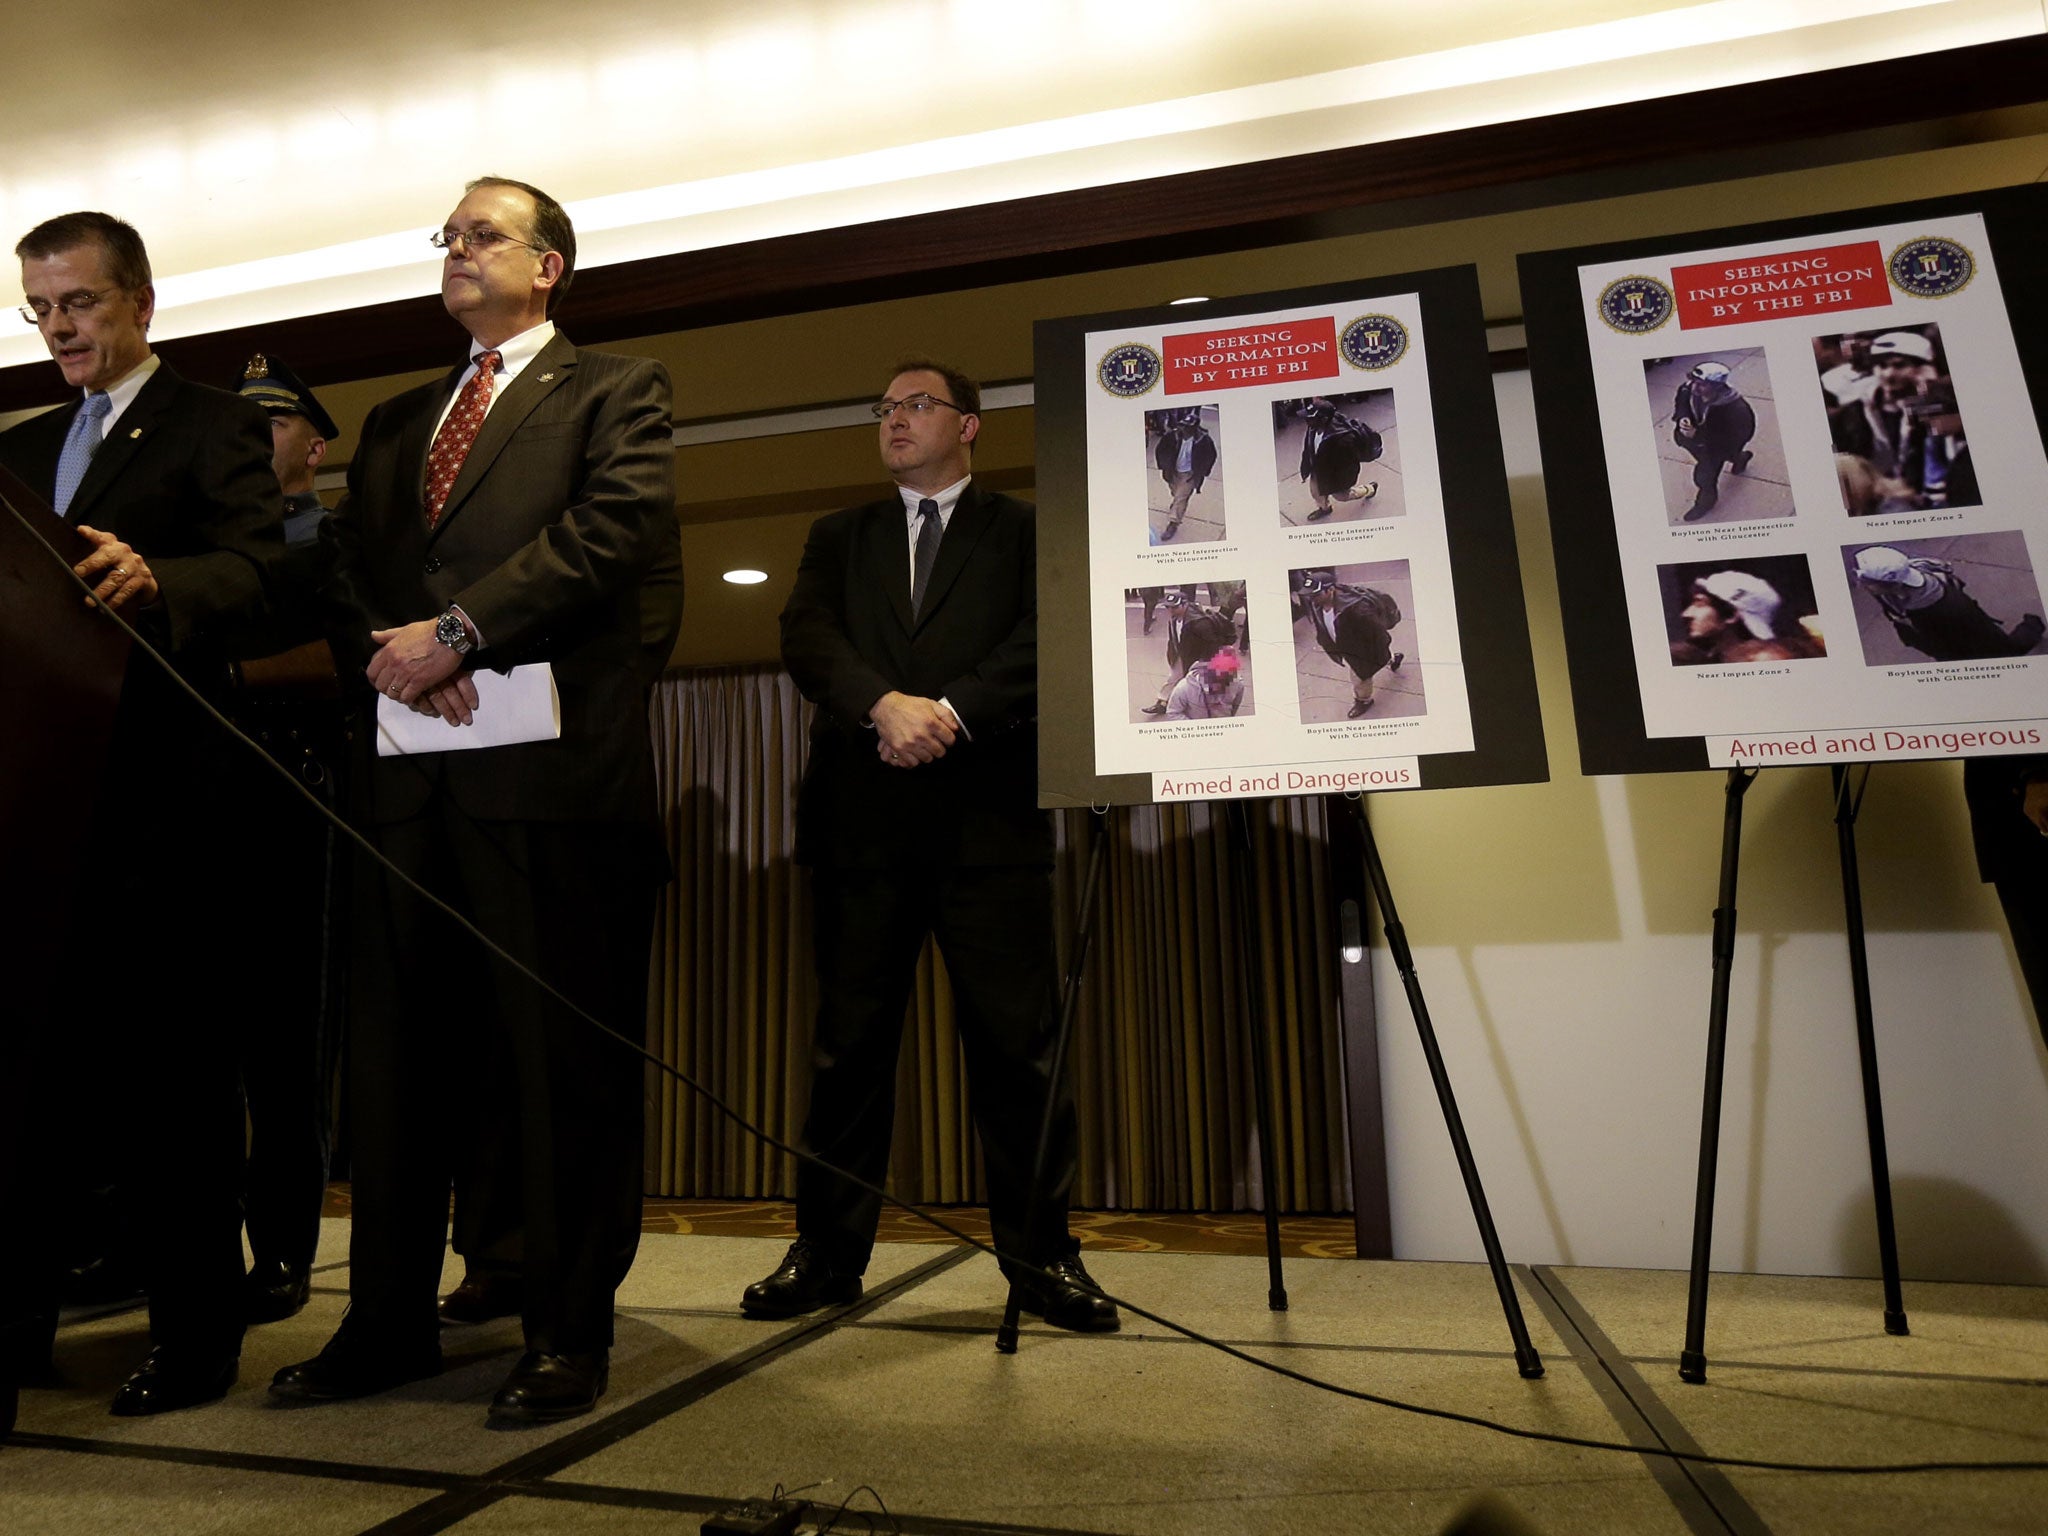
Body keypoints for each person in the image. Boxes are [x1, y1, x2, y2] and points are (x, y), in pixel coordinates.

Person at [270, 177, 679, 1425]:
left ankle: (563, 1331)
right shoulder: (397, 419)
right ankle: (384, 1321)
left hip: (548, 794)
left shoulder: (616, 388)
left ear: (548, 267)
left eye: (483, 234)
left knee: (556, 1073)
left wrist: (456, 632)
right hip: (407, 789)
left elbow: (609, 533)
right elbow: (342, 567)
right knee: (393, 1073)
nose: (457, 250)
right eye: (446, 237)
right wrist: (394, 657)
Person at [748, 358, 1117, 1333]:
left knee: (1017, 1058)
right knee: (847, 1055)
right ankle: (824, 1256)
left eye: (916, 404)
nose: (894, 419)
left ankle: (1042, 1259)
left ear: (970, 426)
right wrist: (883, 703)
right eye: (884, 408)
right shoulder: (840, 536)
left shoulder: (1027, 532)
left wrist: (949, 711)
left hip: (988, 830)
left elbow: (1046, 640)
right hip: (858, 830)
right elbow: (806, 637)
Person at [0, 211, 283, 1418]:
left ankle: (196, 1336)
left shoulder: (217, 426)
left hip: (165, 811)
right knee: (32, 1092)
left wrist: (166, 579)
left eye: (81, 304)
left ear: (142, 304)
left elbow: (268, 572)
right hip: (33, 820)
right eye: (42, 309)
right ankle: (14, 1335)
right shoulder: (11, 450)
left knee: (173, 1090)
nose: (61, 327)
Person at [222, 353, 351, 1326]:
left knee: (283, 1051)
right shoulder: (211, 549)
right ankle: (171, 1244)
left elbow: (346, 660)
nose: (252, 439)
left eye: (271, 423)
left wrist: (227, 672)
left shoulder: (338, 543)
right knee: (194, 1055)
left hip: (297, 802)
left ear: (312, 443)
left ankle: (283, 1251)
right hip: (198, 807)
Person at [1829, 331, 1974, 508]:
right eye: (1881, 366)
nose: (1888, 374)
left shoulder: (1943, 411)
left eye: (1899, 365)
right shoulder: (1851, 415)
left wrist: (1931, 389)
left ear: (1922, 368)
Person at [1850, 545, 2044, 661]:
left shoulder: (1948, 609)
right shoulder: (1907, 574)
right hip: (1943, 638)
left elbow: (1986, 638)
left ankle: (2033, 627)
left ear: (1890, 584)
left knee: (2003, 653)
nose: (1860, 584)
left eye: (1866, 582)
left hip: (1964, 643)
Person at [1295, 568, 1403, 718]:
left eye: (1316, 594)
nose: (1312, 598)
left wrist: (1370, 653)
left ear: (1331, 590)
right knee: (1378, 659)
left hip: (1360, 651)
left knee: (1359, 678)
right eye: (1309, 595)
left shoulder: (1357, 609)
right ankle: (1392, 658)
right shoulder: (1317, 603)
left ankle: (1363, 701)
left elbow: (1378, 635)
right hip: (1344, 646)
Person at [1669, 569, 1823, 664]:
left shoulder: (1766, 660)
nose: (1686, 614)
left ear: (1731, 615)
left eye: (1700, 603)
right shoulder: (1694, 659)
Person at [1671, 361, 1756, 522]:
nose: (1695, 387)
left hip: (1716, 447)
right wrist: (1683, 418)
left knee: (1704, 476)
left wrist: (1697, 435)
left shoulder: (1736, 409)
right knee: (1726, 456)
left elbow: (1738, 436)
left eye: (1702, 385)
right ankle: (1741, 458)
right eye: (1693, 380)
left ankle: (1705, 503)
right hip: (1696, 441)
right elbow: (1681, 406)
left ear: (1718, 386)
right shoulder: (1687, 389)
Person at [1140, 587, 1237, 715]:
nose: (1170, 610)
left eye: (1174, 607)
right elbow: (1174, 638)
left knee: (1196, 685)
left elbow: (1213, 643)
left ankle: (1197, 707)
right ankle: (1162, 703)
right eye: (1168, 607)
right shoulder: (1175, 618)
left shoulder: (1200, 623)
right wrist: (1173, 654)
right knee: (1173, 678)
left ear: (1185, 605)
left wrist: (1205, 663)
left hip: (1197, 659)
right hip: (1182, 655)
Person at [1296, 397, 1380, 521]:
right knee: (1316, 492)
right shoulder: (1313, 427)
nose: (1306, 421)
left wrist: (1340, 484)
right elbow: (1309, 449)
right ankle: (1325, 508)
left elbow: (1349, 466)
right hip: (1318, 469)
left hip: (1335, 476)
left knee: (1343, 496)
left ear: (1323, 419)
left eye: (1310, 418)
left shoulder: (1343, 440)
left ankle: (1369, 489)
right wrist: (1306, 468)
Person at [1151, 406, 1217, 541]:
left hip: (1189, 475)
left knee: (1181, 498)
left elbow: (1210, 457)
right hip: (1173, 471)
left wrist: (1201, 473)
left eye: (1187, 427)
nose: (1184, 429)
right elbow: (1160, 450)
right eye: (1183, 426)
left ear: (1195, 429)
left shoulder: (1204, 441)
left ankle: (1173, 523)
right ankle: (1175, 505)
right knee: (1176, 494)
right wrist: (1163, 467)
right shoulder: (1172, 436)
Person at [1165, 646, 1246, 719]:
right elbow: (1173, 713)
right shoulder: (1184, 688)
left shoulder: (1238, 685)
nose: (1218, 687)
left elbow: (1234, 708)